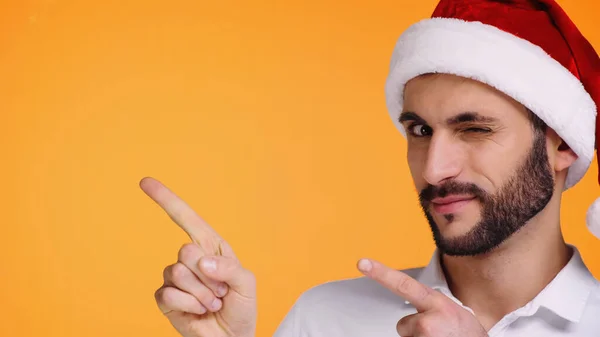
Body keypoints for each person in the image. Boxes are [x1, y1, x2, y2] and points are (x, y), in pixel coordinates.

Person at [139, 0, 600, 336]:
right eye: (420, 131)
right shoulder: (324, 318)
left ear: (561, 145)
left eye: (475, 129)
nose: (435, 169)